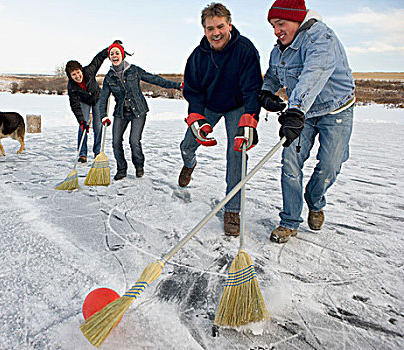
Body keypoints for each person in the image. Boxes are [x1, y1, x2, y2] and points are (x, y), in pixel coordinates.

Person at [260, 0, 356, 243]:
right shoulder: (279, 48)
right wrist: (266, 92)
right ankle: (289, 222)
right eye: (272, 25)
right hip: (303, 112)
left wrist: (295, 110)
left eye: (280, 23)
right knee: (290, 163)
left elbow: (314, 73)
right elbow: (274, 73)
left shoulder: (321, 38)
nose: (276, 31)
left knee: (330, 164)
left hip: (335, 110)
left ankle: (315, 200)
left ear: (297, 19)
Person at [179, 2, 262, 236]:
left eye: (220, 26)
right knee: (187, 144)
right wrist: (196, 113)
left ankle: (232, 210)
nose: (215, 32)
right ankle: (189, 163)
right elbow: (192, 89)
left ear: (229, 25)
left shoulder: (245, 49)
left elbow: (252, 87)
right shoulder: (197, 56)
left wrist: (250, 116)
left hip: (237, 106)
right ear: (204, 30)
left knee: (237, 154)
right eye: (209, 28)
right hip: (208, 106)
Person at [98, 41, 182, 180]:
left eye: (117, 53)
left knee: (134, 141)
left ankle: (139, 166)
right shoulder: (109, 77)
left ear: (122, 55)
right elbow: (103, 99)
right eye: (111, 53)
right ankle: (121, 169)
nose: (114, 55)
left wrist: (176, 85)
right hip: (121, 112)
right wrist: (103, 116)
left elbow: (155, 79)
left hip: (138, 111)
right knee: (115, 142)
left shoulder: (134, 70)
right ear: (109, 57)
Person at [66, 46, 109, 163]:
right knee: (83, 126)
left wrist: (111, 48)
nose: (77, 76)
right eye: (73, 75)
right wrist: (81, 121)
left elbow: (98, 58)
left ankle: (97, 152)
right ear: (70, 76)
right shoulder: (72, 88)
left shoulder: (89, 71)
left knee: (97, 125)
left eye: (78, 72)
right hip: (83, 101)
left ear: (81, 70)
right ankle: (83, 153)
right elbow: (75, 106)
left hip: (97, 98)